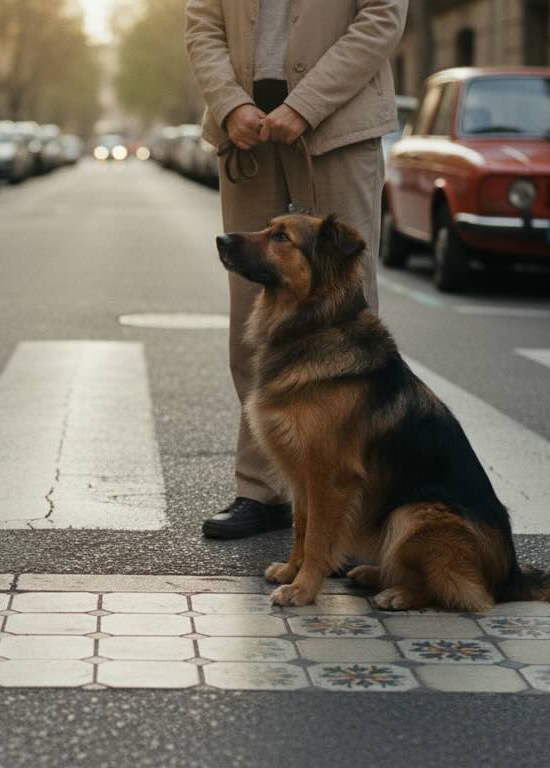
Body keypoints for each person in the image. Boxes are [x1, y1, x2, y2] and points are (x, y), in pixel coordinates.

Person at [185, 0, 408, 538]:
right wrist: (229, 103)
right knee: (252, 320)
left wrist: (305, 104)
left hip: (337, 129)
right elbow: (202, 24)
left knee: (346, 320)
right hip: (248, 136)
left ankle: (358, 504)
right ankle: (262, 490)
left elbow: (381, 19)